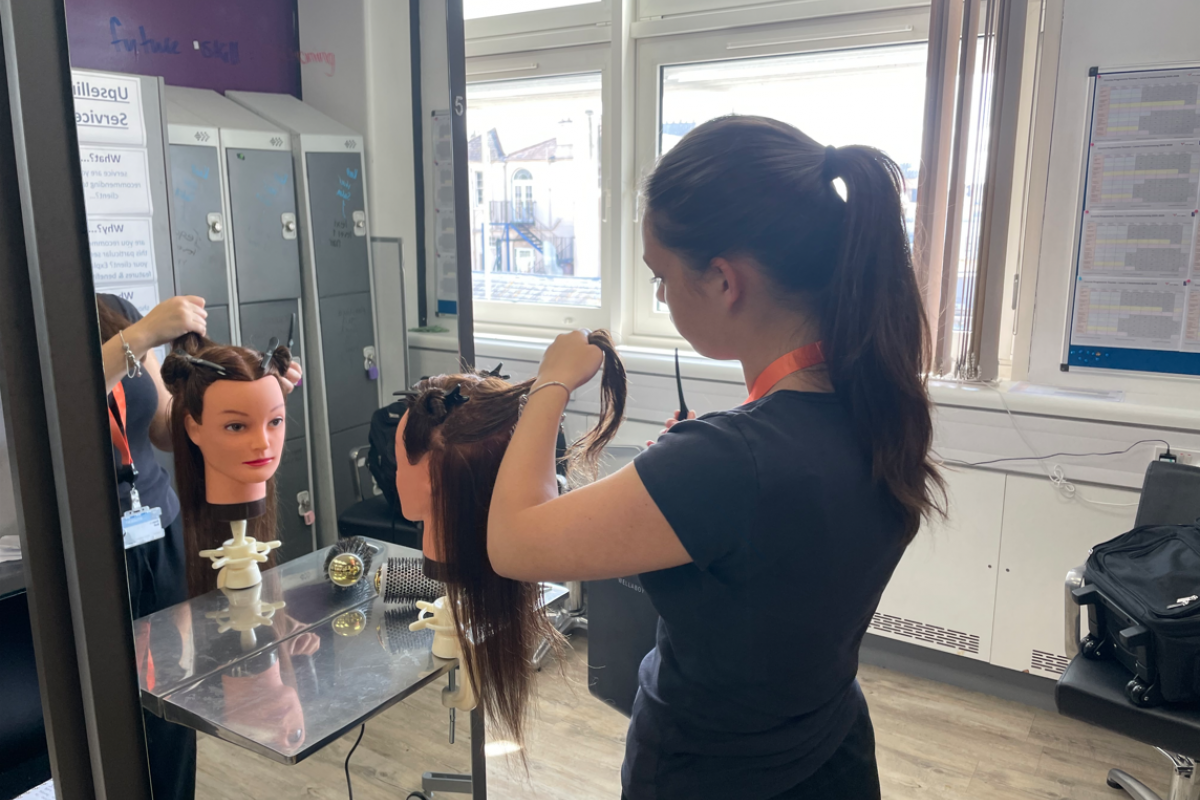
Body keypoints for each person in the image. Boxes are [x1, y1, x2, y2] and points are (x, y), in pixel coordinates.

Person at [487, 115, 945, 800]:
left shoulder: (729, 461)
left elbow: (513, 542)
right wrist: (699, 464)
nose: (663, 297)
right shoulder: (877, 405)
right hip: (831, 753)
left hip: (709, 773)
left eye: (662, 278)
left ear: (725, 281)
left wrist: (552, 382)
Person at [97, 293, 301, 800]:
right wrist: (141, 336)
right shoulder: (37, 330)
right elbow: (59, 407)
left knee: (170, 689)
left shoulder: (112, 310)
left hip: (157, 532)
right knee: (107, 700)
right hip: (92, 547)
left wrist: (257, 404)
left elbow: (167, 428)